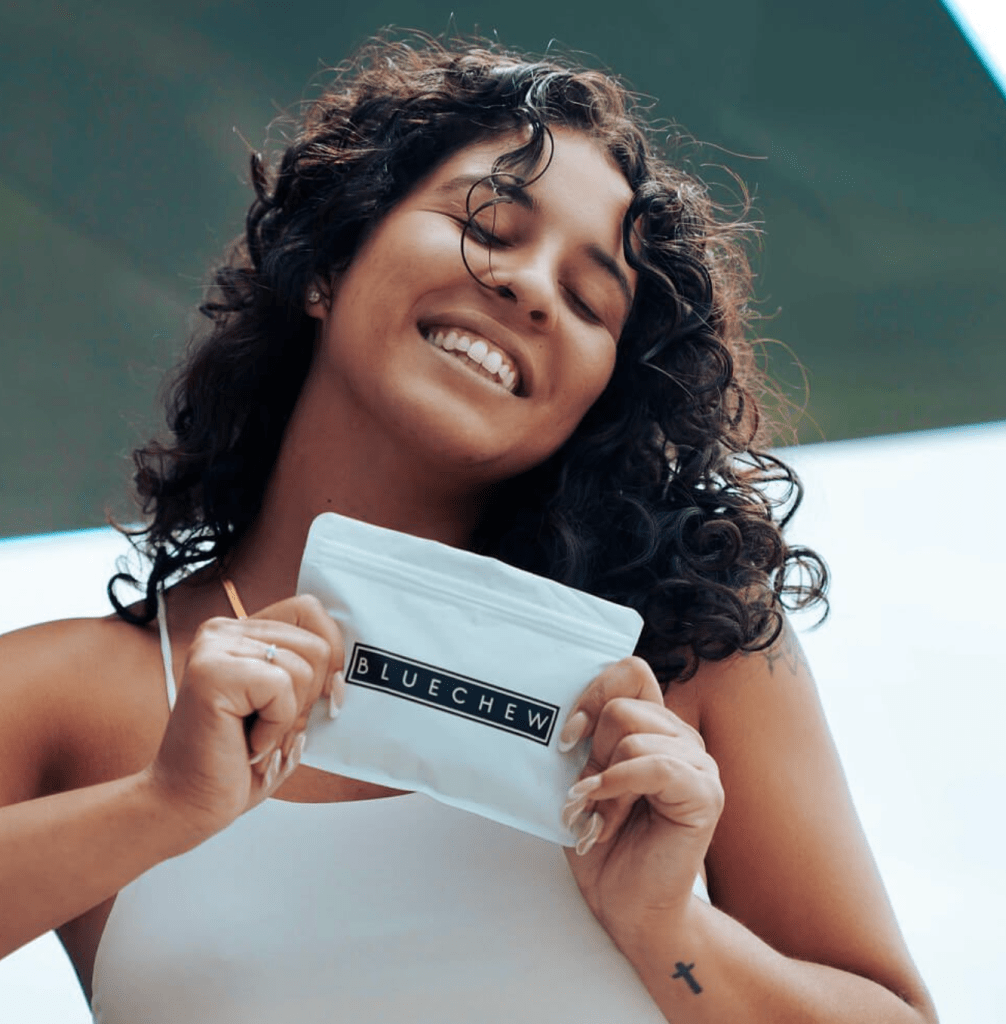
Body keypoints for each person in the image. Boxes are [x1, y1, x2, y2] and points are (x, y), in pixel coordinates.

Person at [0, 32, 938, 1024]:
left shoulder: (685, 661)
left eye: (587, 299)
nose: (530, 286)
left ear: (597, 400)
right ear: (327, 261)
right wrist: (161, 805)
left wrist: (669, 927)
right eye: (489, 224)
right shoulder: (64, 695)